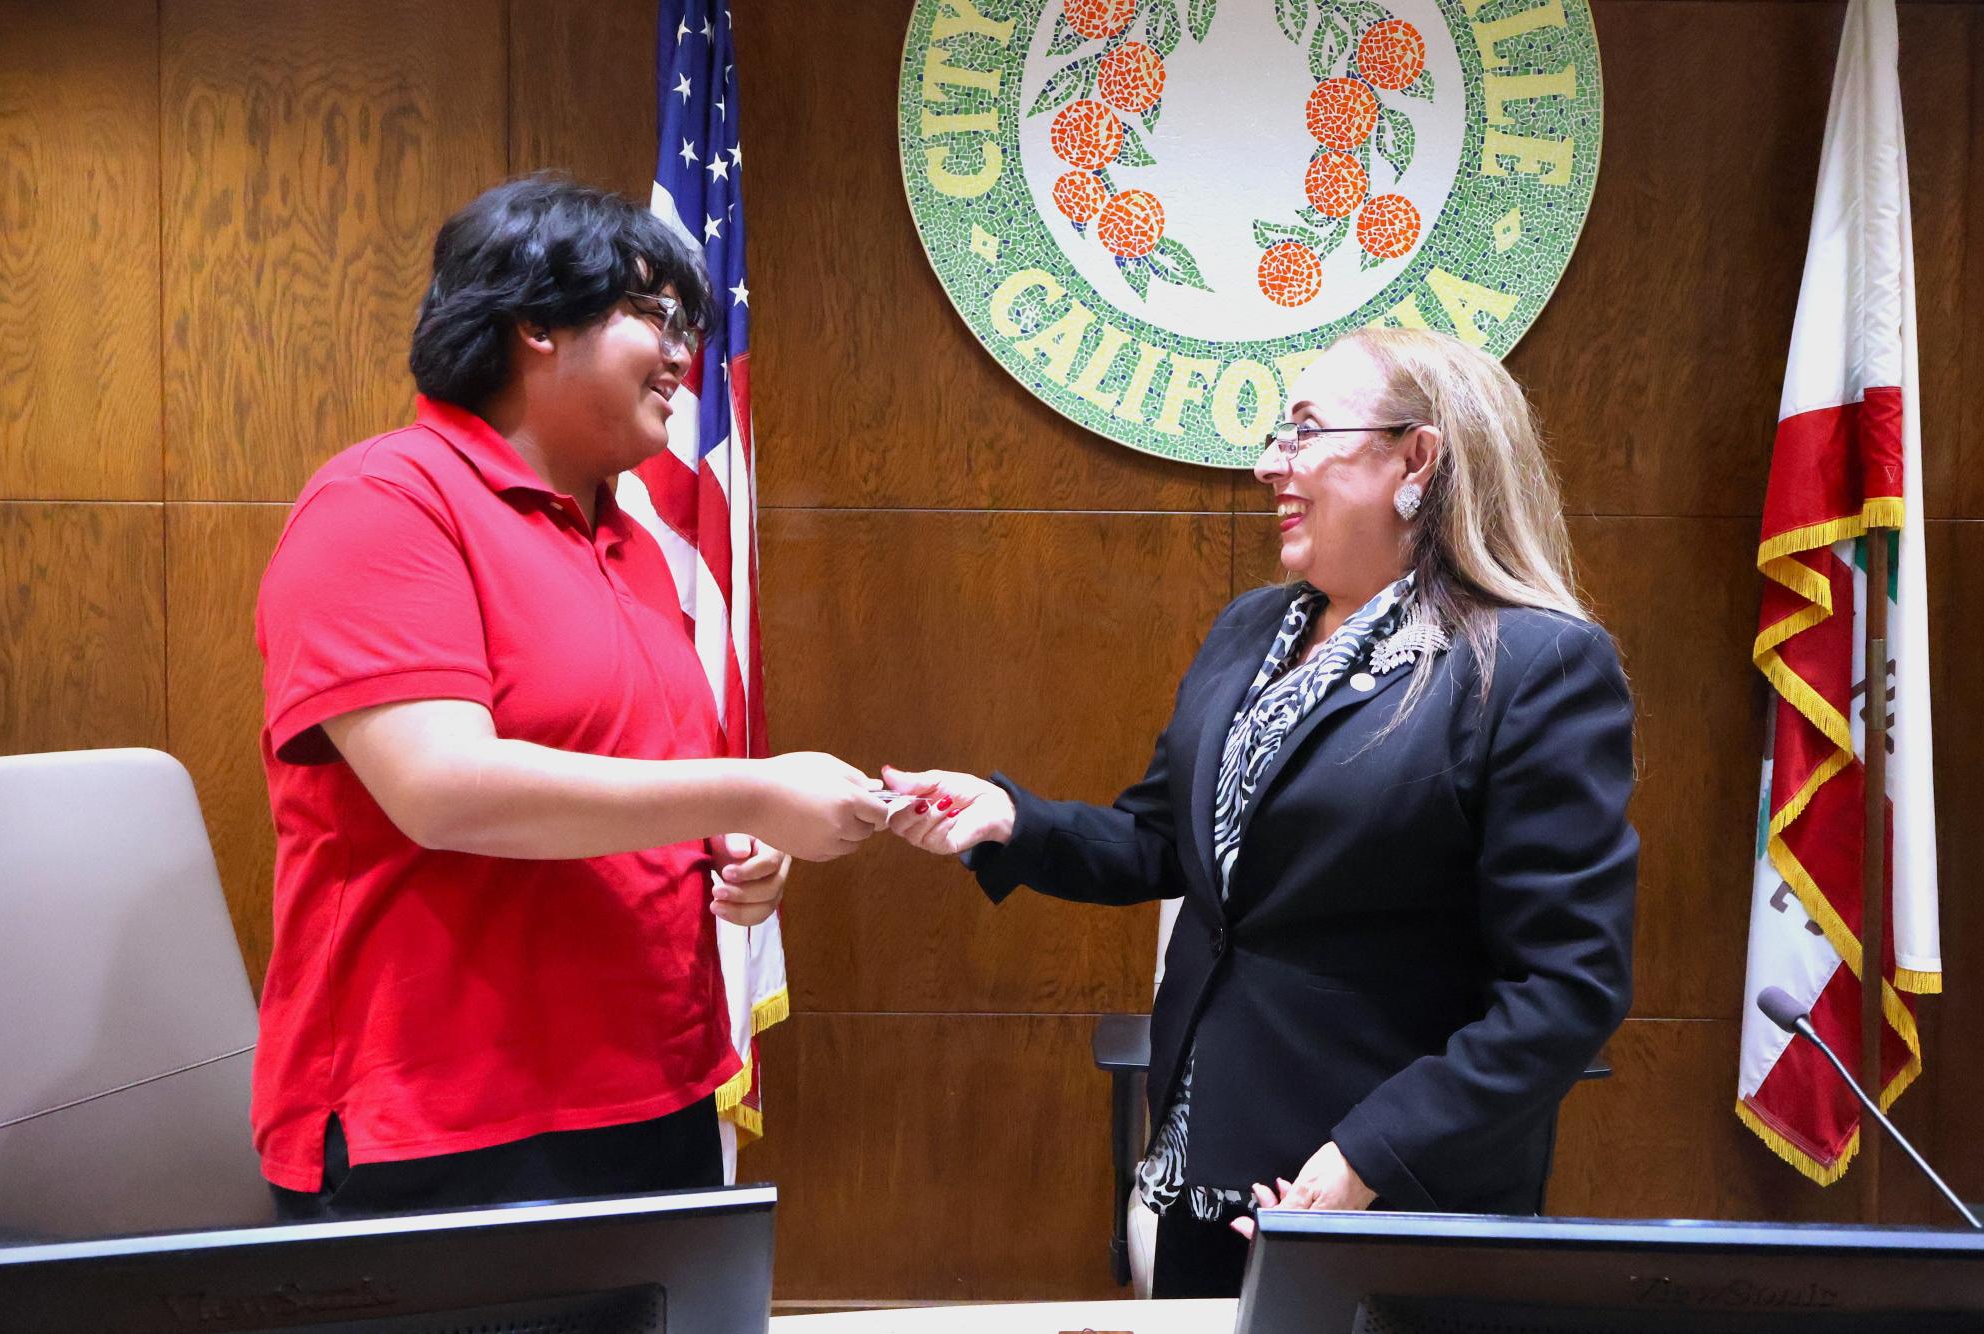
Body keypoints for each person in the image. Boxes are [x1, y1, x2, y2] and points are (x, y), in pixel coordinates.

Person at [885, 327, 1637, 1298]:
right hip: (1206, 1163)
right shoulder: (1253, 627)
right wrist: (1011, 820)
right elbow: (1165, 841)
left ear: (1417, 458)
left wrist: (1366, 1154)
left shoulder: (1536, 667)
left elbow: (1568, 987)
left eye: (1306, 433)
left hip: (1383, 1193)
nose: (1267, 463)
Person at [252, 174, 888, 1219]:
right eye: (654, 313)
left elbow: (632, 781)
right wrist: (748, 789)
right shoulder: (385, 502)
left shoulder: (629, 542)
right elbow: (442, 789)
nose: (686, 350)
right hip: (444, 1124)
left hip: (655, 1093)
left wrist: (736, 842)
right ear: (535, 321)